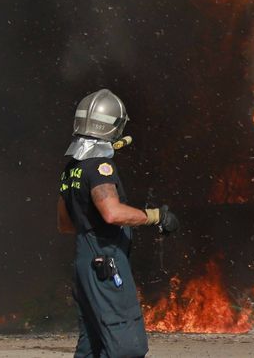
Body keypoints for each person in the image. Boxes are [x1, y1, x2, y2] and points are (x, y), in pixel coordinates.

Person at [58, 89, 179, 358]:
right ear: (112, 126)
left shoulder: (71, 169)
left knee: (92, 340)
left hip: (84, 262)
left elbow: (65, 224)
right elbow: (112, 214)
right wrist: (156, 216)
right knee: (125, 343)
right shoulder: (101, 166)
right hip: (106, 261)